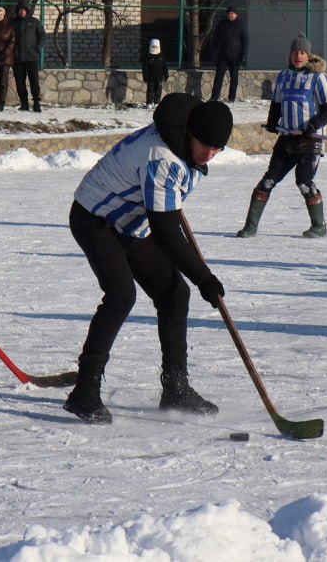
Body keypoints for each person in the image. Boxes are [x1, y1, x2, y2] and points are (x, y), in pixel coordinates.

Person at [63, 94, 234, 424]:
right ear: (189, 134)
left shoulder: (185, 148)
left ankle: (176, 389)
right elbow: (168, 232)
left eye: (217, 150)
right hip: (95, 218)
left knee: (173, 294)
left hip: (131, 222)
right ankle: (84, 391)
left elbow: (165, 217)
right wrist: (204, 278)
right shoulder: (163, 159)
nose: (209, 155)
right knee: (121, 295)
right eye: (205, 146)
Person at [237, 34, 327, 238]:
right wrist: (273, 123)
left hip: (310, 140)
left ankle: (319, 226)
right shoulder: (283, 76)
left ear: (308, 56)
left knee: (303, 182)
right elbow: (276, 104)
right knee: (267, 181)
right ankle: (250, 226)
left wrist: (313, 126)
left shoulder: (318, 77)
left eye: (302, 52)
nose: (298, 56)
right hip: (288, 138)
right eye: (295, 52)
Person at [12, 1, 47, 112]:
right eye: (19, 10)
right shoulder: (13, 23)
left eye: (23, 10)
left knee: (34, 81)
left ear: (27, 11)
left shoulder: (35, 22)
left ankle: (36, 103)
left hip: (32, 57)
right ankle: (24, 103)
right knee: (20, 82)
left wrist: (38, 47)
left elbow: (42, 36)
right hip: (17, 58)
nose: (21, 12)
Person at [209, 6, 248, 102]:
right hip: (222, 56)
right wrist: (214, 52)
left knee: (234, 78)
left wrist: (243, 55)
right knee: (218, 77)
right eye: (229, 13)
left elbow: (245, 41)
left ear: (236, 15)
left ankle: (232, 97)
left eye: (232, 13)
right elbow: (215, 39)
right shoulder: (221, 24)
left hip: (235, 56)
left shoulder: (241, 25)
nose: (230, 15)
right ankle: (214, 97)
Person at [143, 38, 169, 106]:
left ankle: (156, 102)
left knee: (158, 90)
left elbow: (164, 66)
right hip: (150, 77)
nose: (154, 48)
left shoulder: (161, 56)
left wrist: (166, 75)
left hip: (159, 77)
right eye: (153, 46)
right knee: (150, 91)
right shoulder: (148, 56)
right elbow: (145, 68)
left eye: (156, 46)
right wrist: (145, 76)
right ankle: (149, 103)